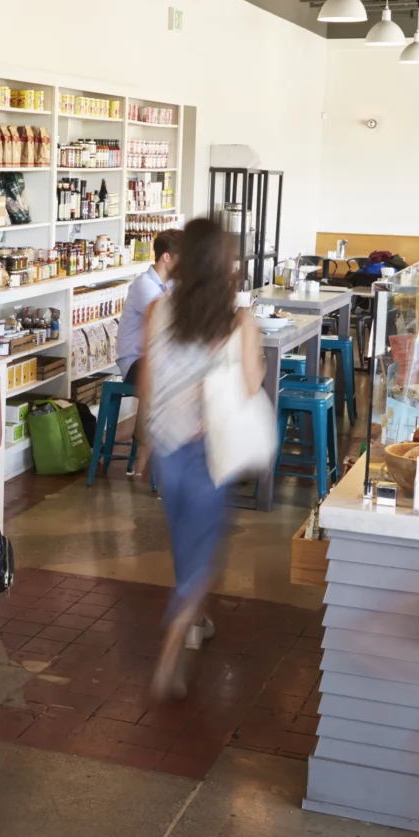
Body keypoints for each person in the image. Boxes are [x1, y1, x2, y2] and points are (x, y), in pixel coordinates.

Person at [137, 217, 263, 699]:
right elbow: (251, 387)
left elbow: (146, 380)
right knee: (201, 551)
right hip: (210, 449)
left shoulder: (157, 309)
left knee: (187, 542)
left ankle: (199, 617)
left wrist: (146, 440)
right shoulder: (237, 321)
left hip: (168, 444)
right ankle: (171, 654)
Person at [114, 229, 182, 385]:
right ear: (166, 257)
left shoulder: (172, 284)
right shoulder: (144, 285)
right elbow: (168, 322)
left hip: (160, 359)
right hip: (137, 363)